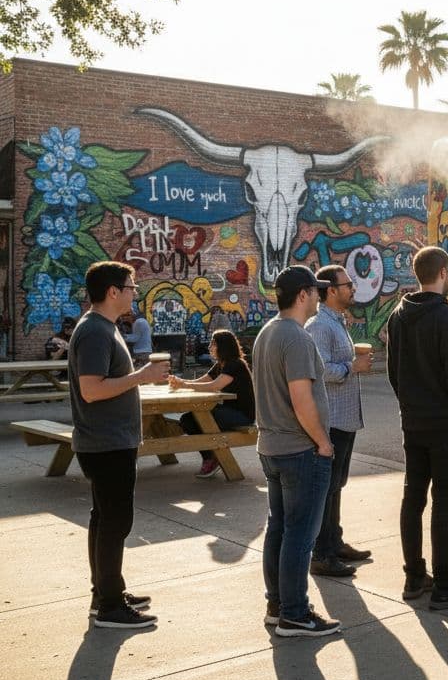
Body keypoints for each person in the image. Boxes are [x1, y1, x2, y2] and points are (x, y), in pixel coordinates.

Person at [68, 261, 170, 628]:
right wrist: (141, 376)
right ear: (113, 291)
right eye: (131, 287)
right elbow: (91, 389)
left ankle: (106, 593)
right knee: (115, 522)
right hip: (106, 444)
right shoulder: (96, 331)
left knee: (105, 520)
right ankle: (109, 607)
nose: (134, 293)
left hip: (107, 442)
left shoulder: (102, 328)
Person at [387, 246, 448, 610]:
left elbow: (394, 372)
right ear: (444, 273)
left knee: (413, 499)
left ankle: (414, 575)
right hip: (447, 424)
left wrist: (410, 405)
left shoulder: (398, 315)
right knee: (445, 502)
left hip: (414, 422)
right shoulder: (446, 318)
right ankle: (445, 583)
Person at [252, 265, 341, 638]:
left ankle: (277, 605)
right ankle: (294, 613)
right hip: (299, 450)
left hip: (271, 447)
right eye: (317, 291)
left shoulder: (266, 333)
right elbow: (302, 398)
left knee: (280, 530)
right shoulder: (298, 339)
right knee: (300, 536)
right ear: (302, 295)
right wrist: (322, 441)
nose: (321, 296)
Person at [307, 265, 374, 577]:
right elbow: (320, 371)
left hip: (344, 418)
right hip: (331, 419)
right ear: (331, 290)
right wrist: (352, 367)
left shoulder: (336, 321)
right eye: (348, 284)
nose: (353, 288)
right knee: (327, 487)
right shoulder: (320, 325)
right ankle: (321, 553)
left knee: (337, 485)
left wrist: (352, 365)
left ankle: (334, 541)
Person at [168, 330, 255, 479]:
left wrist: (184, 385)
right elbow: (202, 381)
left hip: (242, 416)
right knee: (187, 420)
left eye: (213, 344)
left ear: (223, 346)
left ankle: (213, 458)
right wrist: (180, 383)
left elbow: (214, 386)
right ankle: (210, 458)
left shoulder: (235, 364)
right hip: (226, 411)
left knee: (200, 418)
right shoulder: (221, 365)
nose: (209, 347)